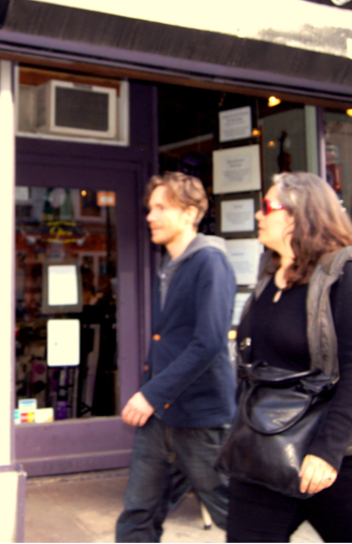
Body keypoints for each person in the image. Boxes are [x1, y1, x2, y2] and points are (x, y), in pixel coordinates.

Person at [225, 172, 352, 543]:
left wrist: (327, 452)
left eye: (267, 206)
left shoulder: (349, 275)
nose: (258, 215)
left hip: (344, 452)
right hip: (268, 444)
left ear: (299, 214)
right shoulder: (269, 276)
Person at [115, 172, 237, 543]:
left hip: (201, 417)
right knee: (138, 513)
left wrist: (150, 393)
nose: (150, 216)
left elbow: (209, 342)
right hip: (161, 417)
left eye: (161, 208)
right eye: (150, 207)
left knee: (233, 514)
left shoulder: (211, 263)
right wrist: (155, 396)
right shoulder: (168, 265)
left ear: (189, 213)